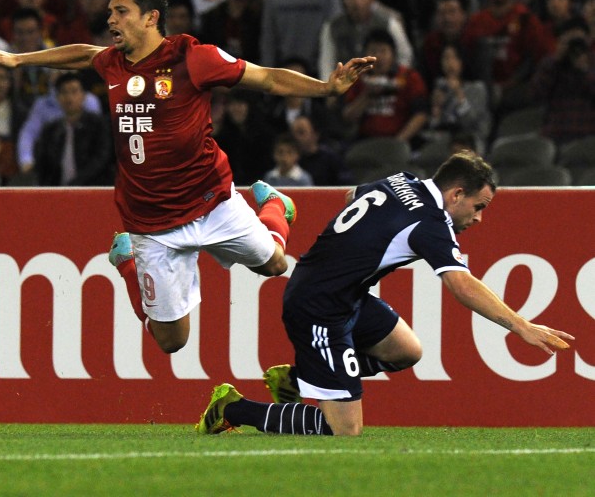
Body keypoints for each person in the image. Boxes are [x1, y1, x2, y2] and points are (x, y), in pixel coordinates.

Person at [0, 0, 375, 353]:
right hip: (152, 221)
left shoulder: (193, 58)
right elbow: (84, 54)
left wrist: (325, 88)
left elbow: (267, 78)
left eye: (121, 11)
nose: (111, 20)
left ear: (151, 18)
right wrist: (17, 59)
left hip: (213, 201)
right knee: (172, 342)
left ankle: (276, 207)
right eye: (111, 12)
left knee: (275, 264)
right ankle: (127, 261)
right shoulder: (114, 62)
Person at [196, 152, 574, 436]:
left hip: (347, 296)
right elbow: (462, 285)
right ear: (456, 194)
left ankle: (297, 380)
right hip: (320, 308)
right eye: (478, 207)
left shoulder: (402, 180)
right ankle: (234, 409)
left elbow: (351, 196)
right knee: (344, 430)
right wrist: (519, 325)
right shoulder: (429, 223)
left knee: (406, 350)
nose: (478, 218)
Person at [33, 72, 113, 186]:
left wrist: (76, 183)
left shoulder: (99, 125)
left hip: (92, 190)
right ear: (58, 97)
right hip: (58, 194)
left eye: (74, 91)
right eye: (64, 92)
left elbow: (101, 159)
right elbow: (44, 167)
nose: (69, 97)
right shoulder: (50, 130)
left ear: (84, 95)